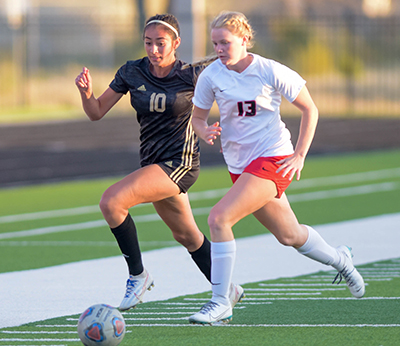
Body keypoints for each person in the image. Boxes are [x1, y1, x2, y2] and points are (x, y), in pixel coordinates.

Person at [188, 11, 365, 325]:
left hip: (272, 158)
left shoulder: (269, 70)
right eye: (215, 43)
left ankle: (221, 301)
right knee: (290, 235)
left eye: (225, 42)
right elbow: (198, 118)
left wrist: (299, 154)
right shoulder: (212, 76)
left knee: (219, 218)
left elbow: (310, 108)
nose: (219, 49)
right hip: (240, 166)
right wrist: (203, 130)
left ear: (244, 40)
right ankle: (342, 260)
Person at [75, 13, 244, 311]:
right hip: (152, 162)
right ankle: (227, 289)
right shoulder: (131, 71)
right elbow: (96, 111)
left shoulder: (193, 74)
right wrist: (86, 93)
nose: (153, 49)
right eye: (148, 43)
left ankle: (138, 276)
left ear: (176, 43)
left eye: (160, 43)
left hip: (180, 163)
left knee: (111, 202)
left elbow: (235, 67)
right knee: (187, 235)